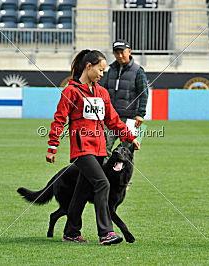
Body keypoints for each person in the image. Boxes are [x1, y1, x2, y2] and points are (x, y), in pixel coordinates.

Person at [45, 49, 141, 245]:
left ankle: (71, 232)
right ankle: (106, 233)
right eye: (100, 70)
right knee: (102, 183)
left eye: (104, 71)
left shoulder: (102, 92)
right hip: (82, 151)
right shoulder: (71, 91)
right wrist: (52, 146)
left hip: (100, 150)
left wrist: (130, 137)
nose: (102, 74)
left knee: (81, 192)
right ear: (89, 67)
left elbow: (113, 120)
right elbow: (59, 119)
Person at [100, 40, 149, 164]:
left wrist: (141, 114)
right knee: (104, 149)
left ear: (129, 51)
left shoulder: (138, 70)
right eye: (117, 53)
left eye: (122, 52)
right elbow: (103, 91)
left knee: (127, 152)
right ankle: (105, 181)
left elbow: (143, 93)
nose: (120, 56)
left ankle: (125, 183)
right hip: (111, 118)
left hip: (131, 119)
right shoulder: (110, 70)